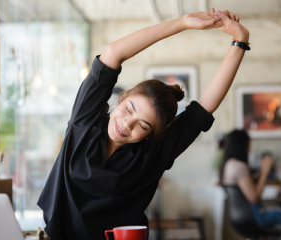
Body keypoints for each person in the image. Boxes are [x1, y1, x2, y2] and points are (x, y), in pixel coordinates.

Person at [38, 9, 250, 240]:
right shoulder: (85, 121)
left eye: (143, 125)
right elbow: (113, 53)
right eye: (129, 109)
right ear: (121, 98)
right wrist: (183, 23)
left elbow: (205, 107)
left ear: (150, 135)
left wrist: (240, 41)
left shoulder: (152, 155)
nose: (127, 124)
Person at [220, 129, 281, 239]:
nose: (249, 148)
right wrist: (266, 171)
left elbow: (244, 188)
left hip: (241, 220)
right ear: (241, 145)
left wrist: (260, 173)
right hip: (257, 218)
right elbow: (254, 198)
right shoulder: (239, 166)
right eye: (248, 145)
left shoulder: (229, 165)